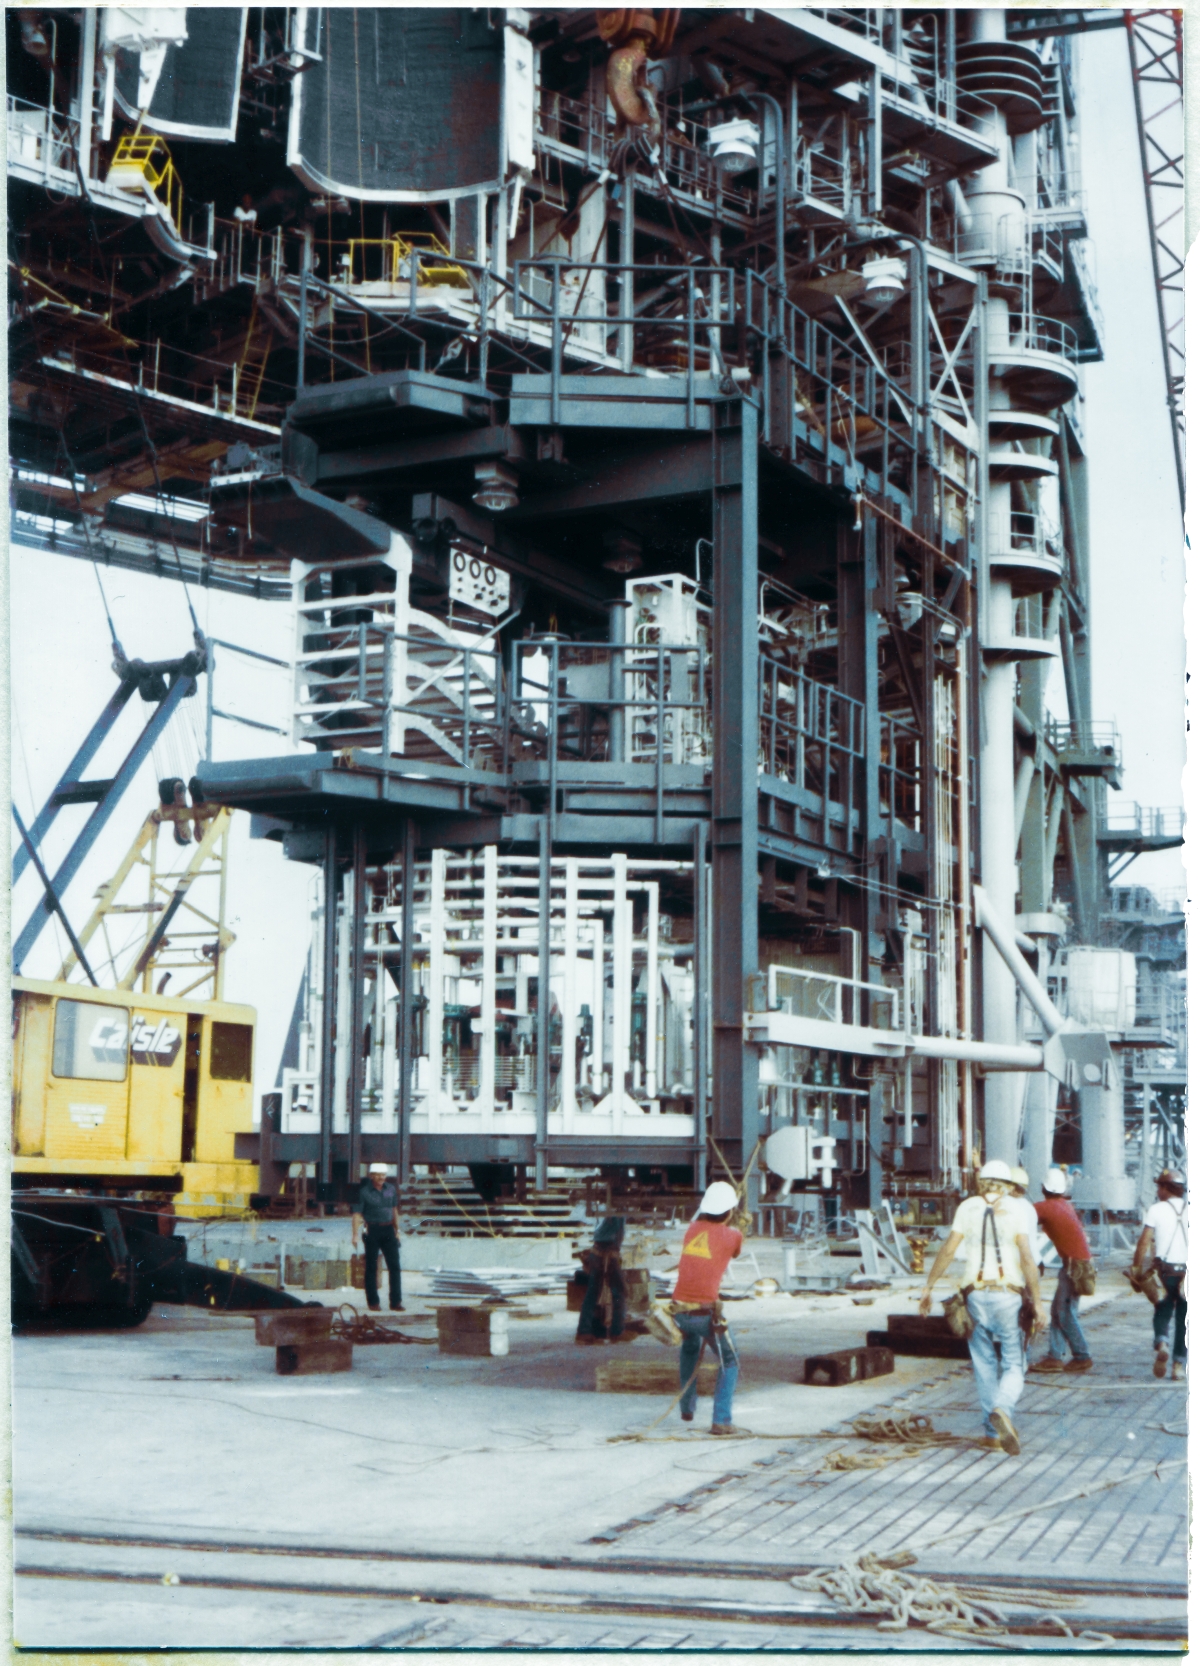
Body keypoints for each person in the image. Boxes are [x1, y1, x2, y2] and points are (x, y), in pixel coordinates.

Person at [918, 1159, 1046, 1455]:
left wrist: (928, 1287)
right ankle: (1003, 1408)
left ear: (981, 1182)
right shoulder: (1017, 1209)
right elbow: (1027, 1258)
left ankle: (991, 1434)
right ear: (1009, 1185)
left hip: (974, 1296)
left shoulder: (967, 1207)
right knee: (1015, 1362)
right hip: (1008, 1296)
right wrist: (1038, 1302)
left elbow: (948, 1249)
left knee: (983, 1362)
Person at [672, 1180, 744, 1436]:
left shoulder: (691, 1230)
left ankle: (687, 1409)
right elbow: (734, 1251)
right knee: (731, 1361)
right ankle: (721, 1421)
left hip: (678, 1312)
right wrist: (740, 1224)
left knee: (690, 1350)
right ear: (730, 1211)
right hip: (705, 1314)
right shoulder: (733, 1235)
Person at [1029, 1169, 1093, 1373]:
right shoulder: (1065, 1206)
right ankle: (1055, 1356)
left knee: (1064, 1313)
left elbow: (1020, 1217)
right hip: (1079, 1266)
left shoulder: (1046, 1207)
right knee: (1059, 1310)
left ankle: (1082, 1355)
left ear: (1043, 1188)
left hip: (1074, 1268)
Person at [1133, 1168, 1187, 1380]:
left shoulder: (1156, 1210)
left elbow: (1144, 1241)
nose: (1157, 1190)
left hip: (1165, 1272)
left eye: (1159, 1186)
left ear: (1166, 1189)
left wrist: (1137, 1268)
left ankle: (1162, 1343)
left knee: (1162, 1310)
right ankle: (1178, 1367)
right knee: (1184, 1320)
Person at [352, 1163, 402, 1312]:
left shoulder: (391, 1189)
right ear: (371, 1175)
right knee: (371, 1268)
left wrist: (397, 1230)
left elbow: (394, 1210)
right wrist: (355, 1235)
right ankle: (373, 1302)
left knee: (395, 1267)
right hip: (372, 1230)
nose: (381, 1177)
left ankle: (396, 1302)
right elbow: (357, 1214)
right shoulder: (364, 1192)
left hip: (388, 1230)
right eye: (378, 1174)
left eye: (383, 1174)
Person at [575, 1216, 627, 1344]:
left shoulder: (613, 1211)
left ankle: (584, 1331)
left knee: (593, 1293)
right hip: (607, 1251)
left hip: (601, 1251)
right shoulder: (615, 1210)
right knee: (619, 1292)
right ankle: (617, 1331)